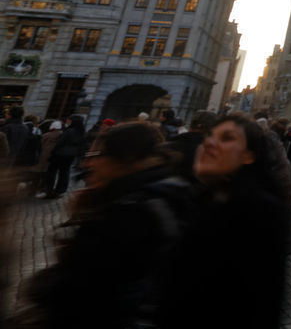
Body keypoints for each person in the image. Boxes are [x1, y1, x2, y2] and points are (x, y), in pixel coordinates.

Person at [14, 121, 192, 329]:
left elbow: (78, 285)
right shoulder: (167, 192)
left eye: (97, 156)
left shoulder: (129, 210)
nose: (86, 164)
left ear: (123, 158)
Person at [158, 112, 291, 328]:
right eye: (210, 135)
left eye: (227, 138)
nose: (210, 143)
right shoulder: (201, 198)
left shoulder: (259, 212)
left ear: (249, 156)